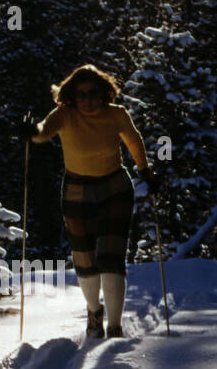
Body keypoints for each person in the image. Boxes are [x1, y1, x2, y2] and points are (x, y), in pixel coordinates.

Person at [27, 64, 159, 339]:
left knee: (112, 258)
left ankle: (115, 326)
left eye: (93, 94)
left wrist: (144, 169)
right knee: (84, 259)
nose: (87, 100)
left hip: (115, 187)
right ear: (71, 96)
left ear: (104, 94)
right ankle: (94, 311)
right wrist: (31, 130)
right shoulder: (63, 115)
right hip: (77, 188)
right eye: (81, 95)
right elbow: (42, 133)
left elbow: (133, 141)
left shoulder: (116, 114)